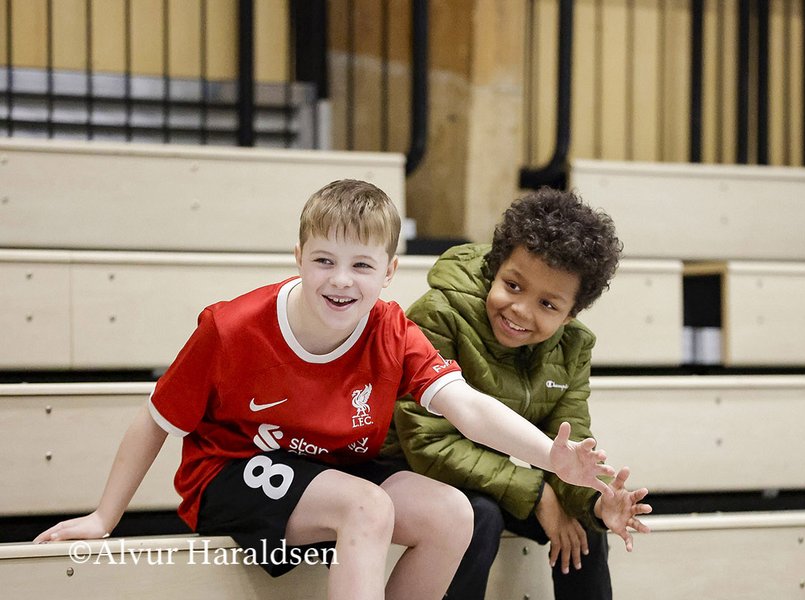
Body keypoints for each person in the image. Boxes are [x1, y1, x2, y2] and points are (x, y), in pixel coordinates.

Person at [34, 180, 638, 600]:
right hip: (232, 469)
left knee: (453, 514)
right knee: (366, 506)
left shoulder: (392, 330)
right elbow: (156, 419)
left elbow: (467, 408)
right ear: (298, 256)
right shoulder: (231, 326)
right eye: (324, 260)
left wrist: (552, 457)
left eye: (362, 266)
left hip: (331, 471)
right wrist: (105, 516)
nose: (342, 281)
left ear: (388, 272)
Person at [384, 187, 652, 600]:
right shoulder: (438, 315)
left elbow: (568, 442)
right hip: (413, 472)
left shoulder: (572, 346)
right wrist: (538, 494)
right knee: (480, 515)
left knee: (584, 526)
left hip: (490, 478)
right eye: (512, 285)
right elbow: (427, 442)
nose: (521, 311)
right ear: (495, 269)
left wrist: (598, 503)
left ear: (570, 315)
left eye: (548, 305)